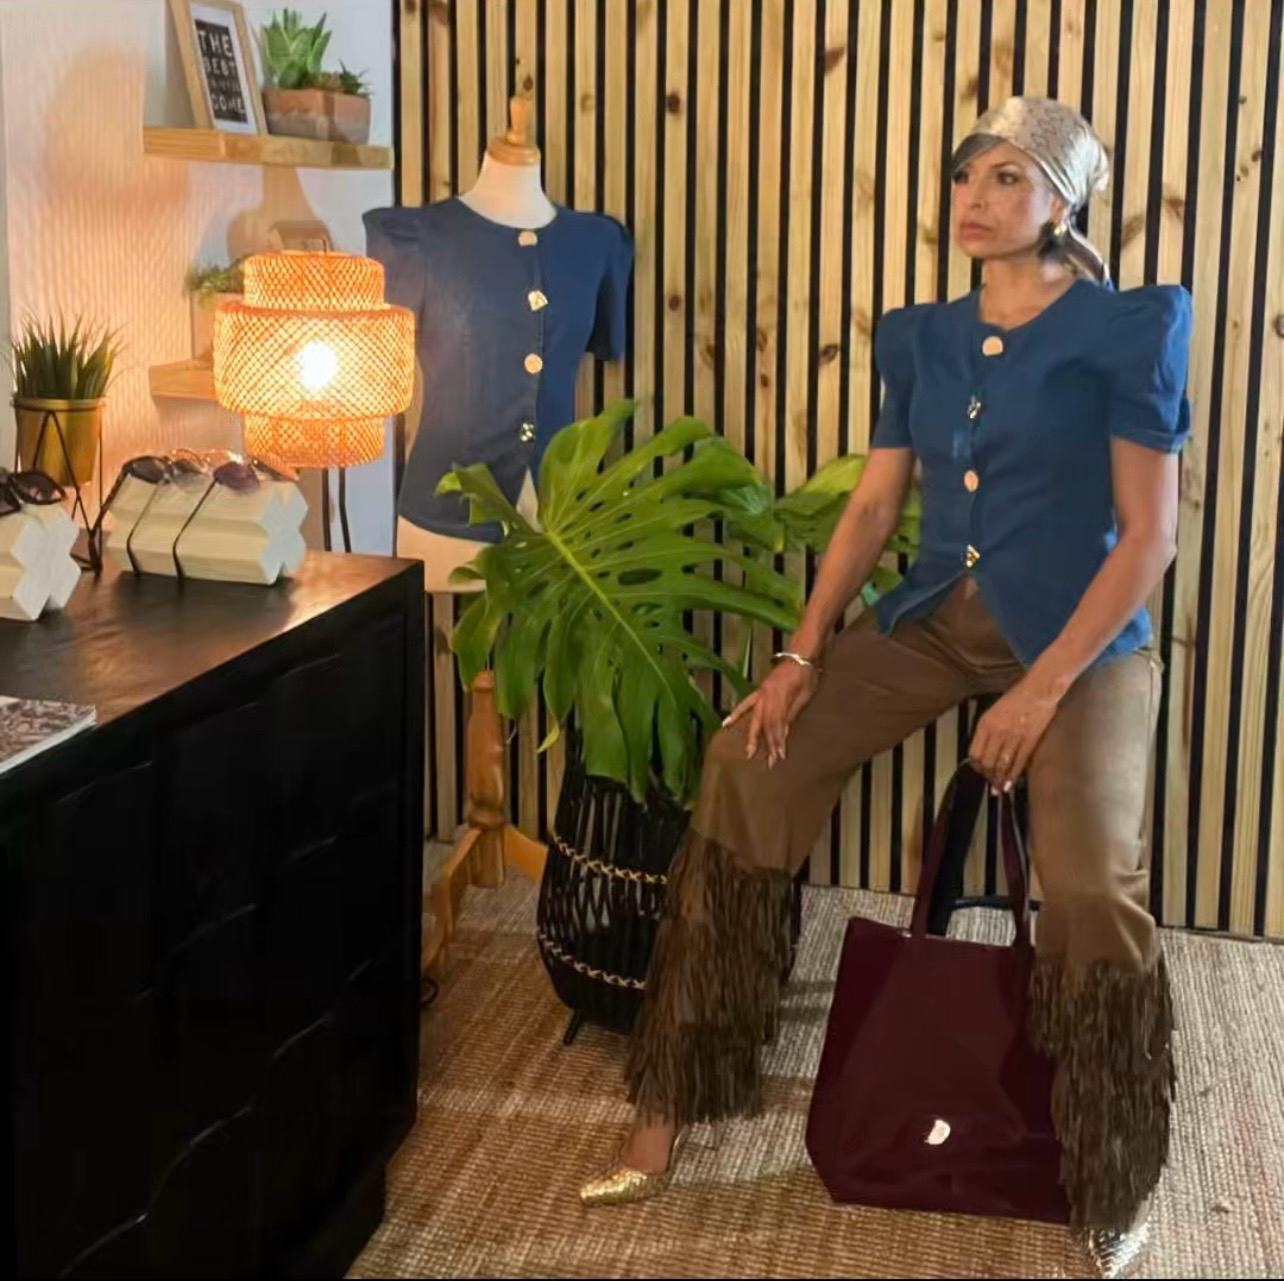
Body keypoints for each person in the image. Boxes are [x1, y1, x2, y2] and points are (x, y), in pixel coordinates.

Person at [578, 96, 1192, 1274]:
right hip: (934, 626)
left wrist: (1039, 693)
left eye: (1008, 177)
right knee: (746, 761)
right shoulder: (918, 337)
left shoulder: (1129, 329)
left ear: (1064, 201)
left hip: (1082, 646)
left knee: (1088, 880)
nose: (975, 198)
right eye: (966, 175)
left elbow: (1147, 537)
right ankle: (674, 1098)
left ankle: (1110, 1172)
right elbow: (872, 507)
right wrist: (801, 655)